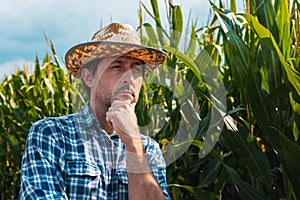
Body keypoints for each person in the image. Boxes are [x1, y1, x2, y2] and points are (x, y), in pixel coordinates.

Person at [19, 22, 170, 199]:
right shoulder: (52, 134)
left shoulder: (149, 150)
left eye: (137, 69)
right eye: (117, 67)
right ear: (89, 77)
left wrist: (134, 145)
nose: (129, 78)